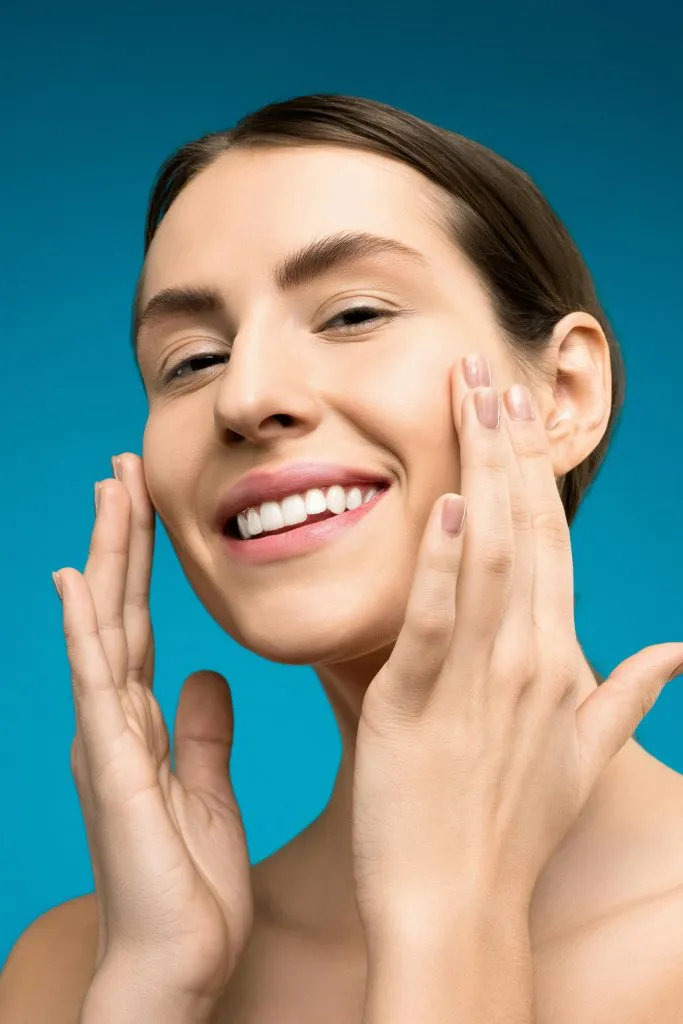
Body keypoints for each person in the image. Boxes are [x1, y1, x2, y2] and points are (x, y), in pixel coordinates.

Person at [2, 92, 683, 1023]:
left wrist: (453, 920)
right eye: (192, 360)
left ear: (562, 391)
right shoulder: (77, 970)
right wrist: (155, 990)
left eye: (353, 313)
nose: (244, 395)